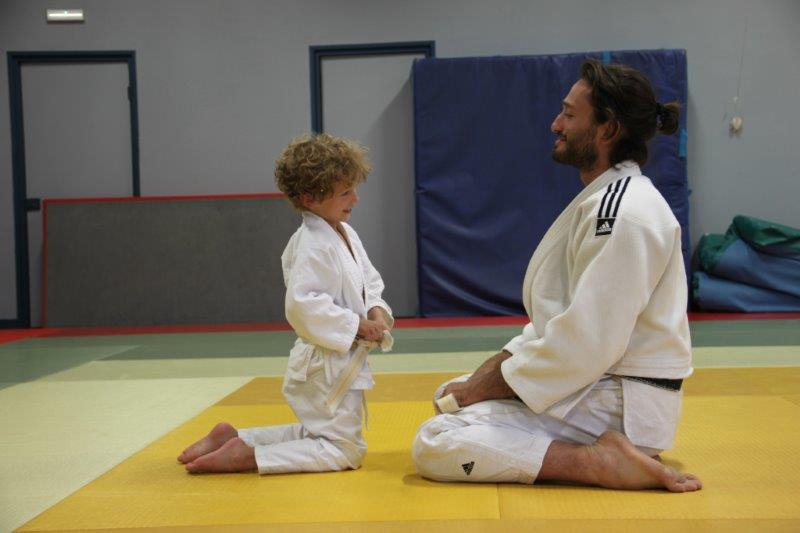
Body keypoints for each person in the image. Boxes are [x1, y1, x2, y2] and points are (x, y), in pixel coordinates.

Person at [412, 59, 702, 492]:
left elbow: (588, 342)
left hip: (621, 399)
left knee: (436, 441)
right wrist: (490, 375)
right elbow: (564, 323)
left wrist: (492, 386)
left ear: (607, 129)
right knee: (450, 395)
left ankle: (597, 462)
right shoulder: (610, 199)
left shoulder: (624, 213)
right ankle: (600, 450)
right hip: (604, 384)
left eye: (568, 114)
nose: (555, 125)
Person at [178, 133, 393, 474]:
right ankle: (248, 456)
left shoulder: (344, 233)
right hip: (324, 366)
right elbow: (301, 305)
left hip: (335, 361)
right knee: (344, 451)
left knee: (319, 435)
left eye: (354, 188)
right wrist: (356, 326)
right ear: (309, 198)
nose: (356, 198)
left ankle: (238, 438)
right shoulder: (313, 242)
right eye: (345, 192)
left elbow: (369, 280)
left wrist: (376, 312)